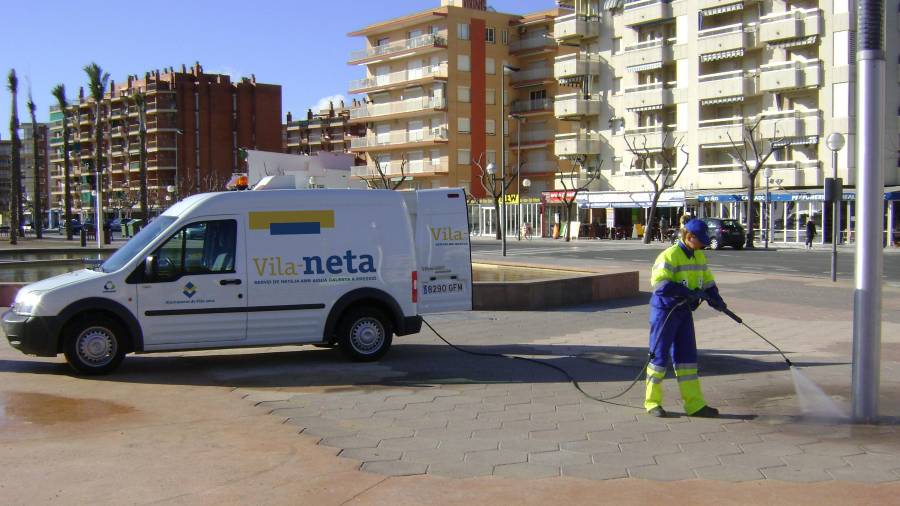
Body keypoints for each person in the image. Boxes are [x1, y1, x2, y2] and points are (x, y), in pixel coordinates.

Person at [645, 215, 726, 418]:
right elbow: (660, 284)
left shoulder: (698, 256)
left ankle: (695, 405)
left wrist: (715, 297)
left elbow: (707, 281)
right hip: (665, 312)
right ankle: (652, 402)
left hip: (683, 312)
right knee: (659, 358)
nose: (703, 245)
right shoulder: (669, 255)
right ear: (689, 236)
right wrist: (687, 292)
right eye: (700, 240)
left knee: (687, 359)